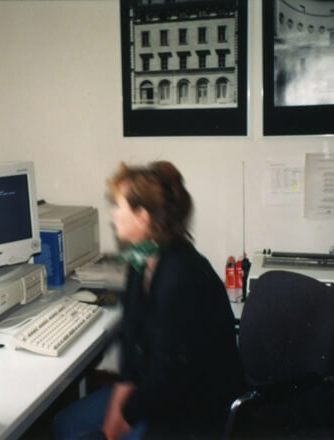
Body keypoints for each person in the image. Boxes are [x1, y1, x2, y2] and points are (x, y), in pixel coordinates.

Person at [53, 161, 243, 440]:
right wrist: (116, 409)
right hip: (155, 391)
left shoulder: (182, 275)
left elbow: (169, 380)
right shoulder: (141, 258)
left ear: (142, 217)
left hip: (195, 410)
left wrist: (122, 417)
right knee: (65, 425)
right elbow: (130, 342)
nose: (113, 215)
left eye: (119, 207)